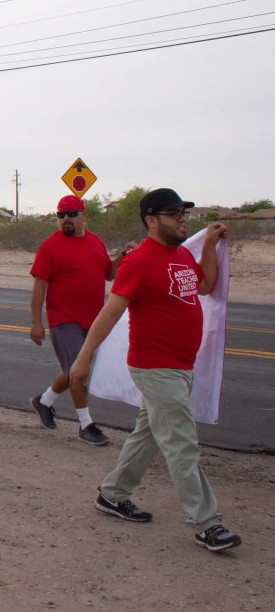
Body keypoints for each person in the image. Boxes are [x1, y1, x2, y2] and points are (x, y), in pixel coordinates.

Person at [69, 189, 240, 553]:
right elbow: (110, 313)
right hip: (155, 367)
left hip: (180, 366)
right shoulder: (139, 262)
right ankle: (207, 523)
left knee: (147, 435)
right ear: (151, 219)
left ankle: (112, 495)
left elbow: (206, 286)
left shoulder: (180, 255)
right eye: (173, 213)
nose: (182, 219)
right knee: (181, 442)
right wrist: (83, 360)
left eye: (184, 213)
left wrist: (208, 243)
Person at [29, 195, 135, 445]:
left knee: (75, 370)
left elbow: (109, 273)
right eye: (61, 215)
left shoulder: (95, 241)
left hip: (94, 322)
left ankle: (43, 402)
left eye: (71, 213)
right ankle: (86, 425)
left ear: (83, 216)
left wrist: (124, 255)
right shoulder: (50, 246)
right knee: (80, 373)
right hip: (64, 320)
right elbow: (38, 287)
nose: (66, 218)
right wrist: (36, 322)